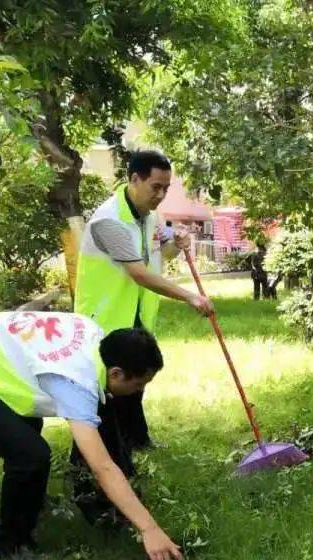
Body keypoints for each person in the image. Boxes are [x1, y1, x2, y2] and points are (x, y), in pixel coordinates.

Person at [0, 311, 185, 560]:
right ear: (116, 373)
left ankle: (31, 502)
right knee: (30, 454)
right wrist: (149, 528)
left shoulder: (96, 335)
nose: (138, 392)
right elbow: (102, 466)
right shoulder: (75, 382)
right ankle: (11, 547)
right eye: (138, 385)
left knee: (27, 431)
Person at [75, 149, 212, 451]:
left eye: (166, 187)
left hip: (134, 314)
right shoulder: (109, 220)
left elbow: (159, 253)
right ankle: (104, 452)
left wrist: (177, 243)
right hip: (106, 318)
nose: (161, 195)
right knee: (108, 390)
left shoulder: (148, 216)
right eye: (156, 187)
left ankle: (137, 440)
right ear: (135, 179)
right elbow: (138, 272)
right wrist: (190, 297)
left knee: (137, 379)